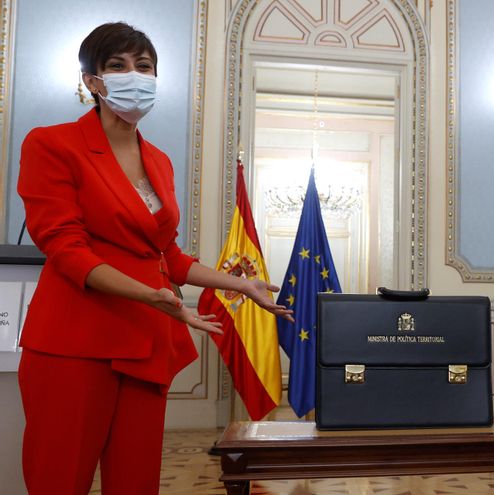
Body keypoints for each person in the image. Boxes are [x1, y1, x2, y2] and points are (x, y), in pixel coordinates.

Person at [16, 22, 292, 494]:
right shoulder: (53, 144)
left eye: (143, 66)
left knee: (136, 481)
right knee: (59, 478)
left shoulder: (159, 160)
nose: (134, 75)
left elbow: (169, 256)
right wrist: (153, 295)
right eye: (117, 66)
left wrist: (238, 284)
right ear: (93, 81)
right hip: (76, 342)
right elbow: (65, 248)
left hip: (145, 340)